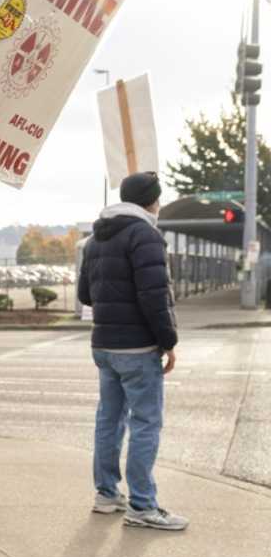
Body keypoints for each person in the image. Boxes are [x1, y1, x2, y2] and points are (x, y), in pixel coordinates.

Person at [78, 171, 185, 530]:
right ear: (151, 200)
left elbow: (84, 296)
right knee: (145, 424)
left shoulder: (96, 238)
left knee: (109, 420)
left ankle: (107, 495)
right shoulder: (145, 235)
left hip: (103, 345)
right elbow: (154, 296)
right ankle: (142, 506)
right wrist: (168, 341)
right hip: (138, 347)